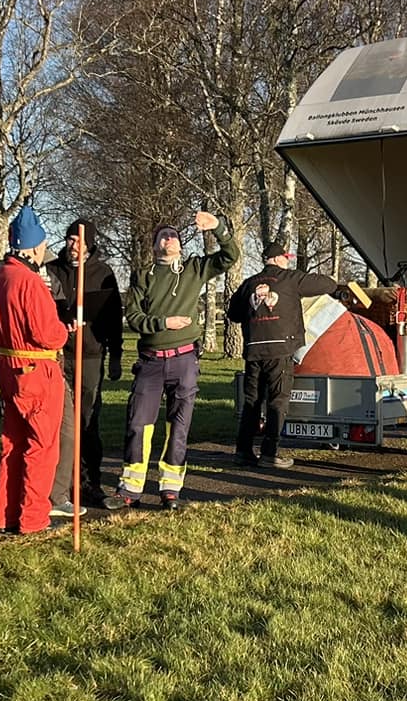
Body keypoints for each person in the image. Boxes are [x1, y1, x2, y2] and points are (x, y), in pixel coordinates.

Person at [110, 211, 238, 509]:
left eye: (173, 235)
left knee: (178, 426)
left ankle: (170, 489)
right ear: (155, 245)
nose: (169, 239)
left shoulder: (194, 268)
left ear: (180, 244)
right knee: (139, 423)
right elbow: (134, 317)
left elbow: (230, 256)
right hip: (151, 361)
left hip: (184, 360)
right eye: (163, 236)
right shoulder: (143, 275)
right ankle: (130, 489)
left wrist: (218, 227)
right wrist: (163, 323)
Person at [0, 205, 68, 534]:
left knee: (12, 442)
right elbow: (47, 333)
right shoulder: (29, 282)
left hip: (7, 368)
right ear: (35, 247)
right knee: (42, 445)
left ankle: (5, 515)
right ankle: (33, 518)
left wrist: (0, 362)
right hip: (37, 370)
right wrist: (65, 331)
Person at [226, 238, 350, 470]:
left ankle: (243, 451)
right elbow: (326, 284)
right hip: (280, 350)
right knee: (278, 401)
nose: (287, 261)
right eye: (285, 257)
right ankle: (270, 453)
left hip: (254, 350)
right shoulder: (290, 279)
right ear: (277, 259)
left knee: (252, 401)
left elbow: (233, 313)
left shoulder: (248, 283)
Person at [46, 219, 123, 515]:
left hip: (90, 355)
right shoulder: (52, 271)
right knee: (59, 423)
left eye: (78, 240)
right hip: (58, 355)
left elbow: (113, 318)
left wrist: (115, 356)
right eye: (69, 239)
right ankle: (58, 488)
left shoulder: (102, 273)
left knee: (87, 421)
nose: (73, 245)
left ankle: (89, 483)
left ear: (89, 243)